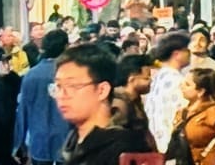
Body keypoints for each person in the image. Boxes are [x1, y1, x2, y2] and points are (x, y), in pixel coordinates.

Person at [51, 43, 153, 165]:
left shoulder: (125, 150)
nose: (62, 95)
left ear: (102, 90)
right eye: (58, 87)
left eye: (73, 86)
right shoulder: (73, 140)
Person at [13, 28, 70, 164]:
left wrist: (18, 144)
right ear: (65, 47)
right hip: (66, 139)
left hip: (39, 139)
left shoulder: (31, 75)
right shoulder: (70, 74)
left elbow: (22, 112)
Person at [173, 68, 215, 165]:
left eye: (187, 84)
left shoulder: (214, 112)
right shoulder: (182, 113)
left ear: (201, 91)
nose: (181, 87)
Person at [144, 31, 191, 152]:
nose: (190, 54)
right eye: (187, 50)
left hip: (156, 145)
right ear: (177, 54)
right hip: (173, 146)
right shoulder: (178, 81)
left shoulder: (156, 78)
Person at [111, 53, 157, 150]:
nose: (150, 81)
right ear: (131, 79)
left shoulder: (135, 101)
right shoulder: (120, 105)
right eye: (146, 78)